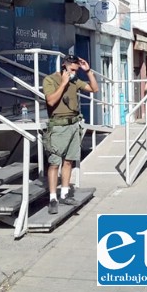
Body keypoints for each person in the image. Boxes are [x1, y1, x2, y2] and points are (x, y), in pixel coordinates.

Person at [42, 55, 98, 215]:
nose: (74, 72)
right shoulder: (50, 80)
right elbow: (51, 101)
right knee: (54, 163)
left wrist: (88, 72)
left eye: (77, 69)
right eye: (72, 69)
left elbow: (94, 89)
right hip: (58, 127)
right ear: (64, 66)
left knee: (69, 161)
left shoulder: (75, 80)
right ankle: (53, 198)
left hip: (74, 125)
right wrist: (64, 83)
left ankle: (65, 193)